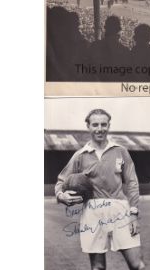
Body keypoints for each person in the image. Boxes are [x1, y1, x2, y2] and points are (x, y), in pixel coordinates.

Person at [55, 109, 145, 270]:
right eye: (95, 124)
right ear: (88, 127)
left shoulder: (120, 151)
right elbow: (61, 182)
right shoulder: (80, 155)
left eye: (104, 124)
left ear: (109, 126)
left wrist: (133, 213)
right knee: (97, 267)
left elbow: (132, 183)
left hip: (120, 209)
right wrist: (62, 196)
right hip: (92, 211)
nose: (100, 128)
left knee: (137, 265)